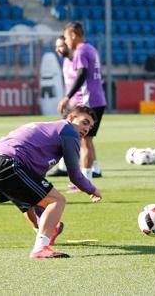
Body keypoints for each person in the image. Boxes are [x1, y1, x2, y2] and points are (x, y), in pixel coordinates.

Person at [0, 106, 103, 258]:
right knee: (57, 200)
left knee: (29, 203)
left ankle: (45, 231)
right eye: (85, 122)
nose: (87, 129)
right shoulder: (69, 131)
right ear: (71, 118)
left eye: (90, 127)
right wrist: (92, 189)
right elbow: (75, 176)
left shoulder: (49, 128)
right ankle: (40, 247)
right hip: (9, 164)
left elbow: (36, 186)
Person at [57, 22, 106, 189]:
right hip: (97, 100)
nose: (65, 41)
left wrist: (67, 97)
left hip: (87, 101)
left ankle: (83, 183)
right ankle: (89, 178)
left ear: (72, 35)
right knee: (88, 141)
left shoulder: (81, 50)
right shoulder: (91, 48)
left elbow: (82, 74)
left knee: (84, 142)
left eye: (65, 37)